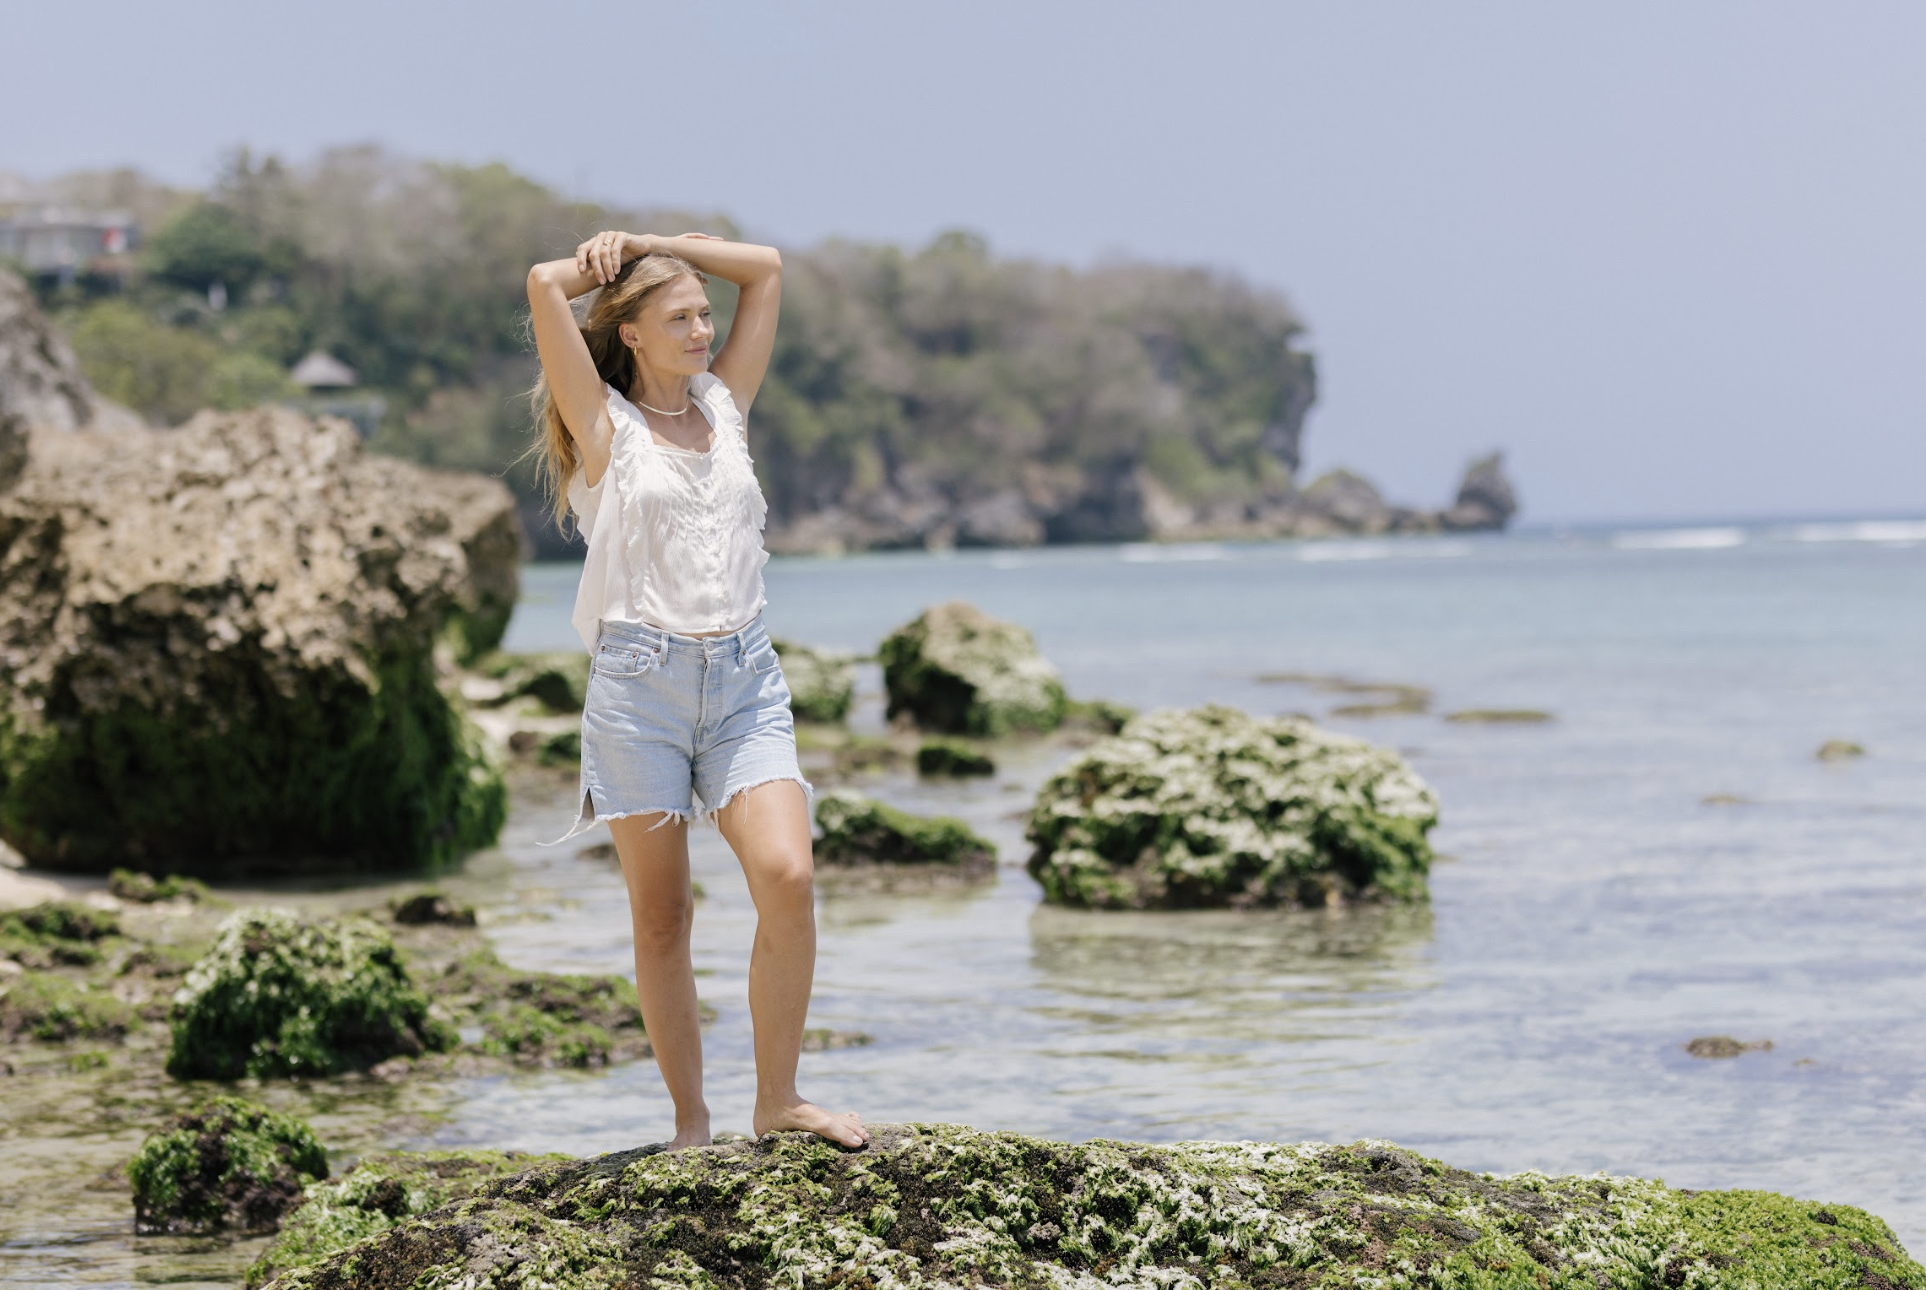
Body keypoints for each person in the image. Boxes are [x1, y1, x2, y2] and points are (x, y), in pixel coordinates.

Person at [526, 230, 867, 1151]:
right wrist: (599, 263)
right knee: (664, 915)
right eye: (680, 317)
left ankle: (779, 1099)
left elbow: (766, 267)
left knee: (788, 878)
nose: (703, 328)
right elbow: (539, 286)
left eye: (705, 313)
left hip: (747, 679)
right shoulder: (606, 428)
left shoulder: (726, 405)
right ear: (629, 335)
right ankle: (691, 1124)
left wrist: (654, 243)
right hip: (640, 689)